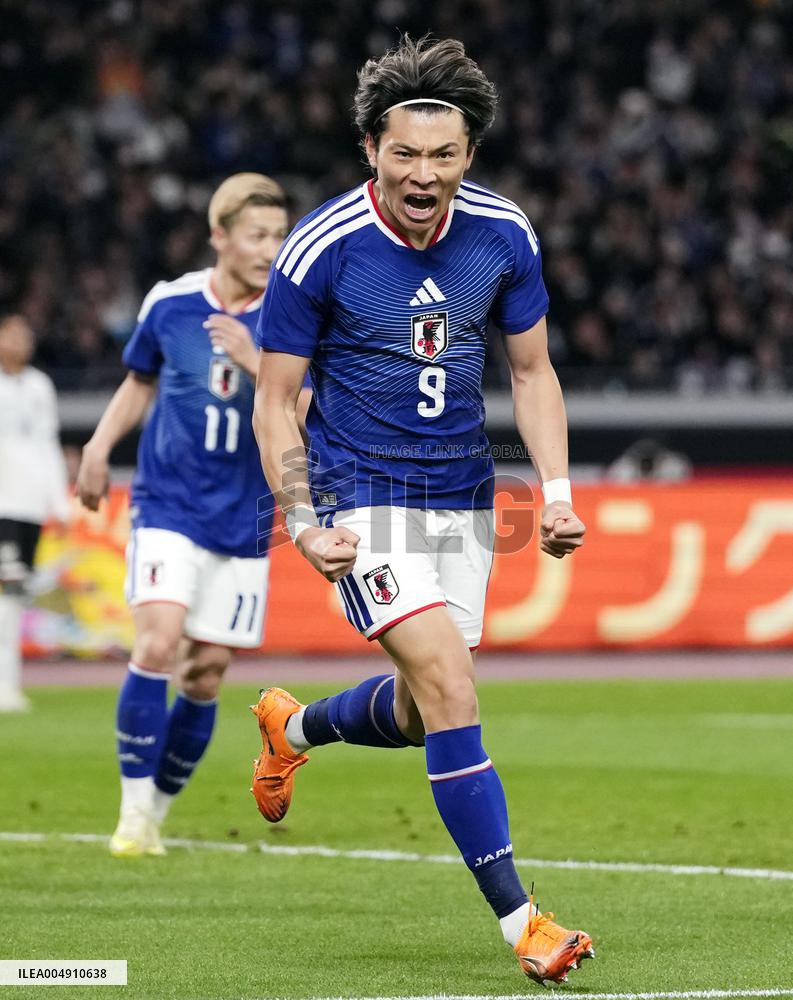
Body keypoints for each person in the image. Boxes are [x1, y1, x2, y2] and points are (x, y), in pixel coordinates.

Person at [251, 37, 594, 986]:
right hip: (364, 500)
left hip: (465, 500)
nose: (423, 173)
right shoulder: (320, 249)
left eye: (442, 156)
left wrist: (556, 496)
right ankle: (523, 922)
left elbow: (532, 373)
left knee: (416, 710)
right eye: (404, 154)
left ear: (468, 158)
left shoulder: (504, 234)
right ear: (371, 149)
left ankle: (296, 729)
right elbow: (275, 400)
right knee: (451, 692)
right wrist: (305, 517)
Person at [76, 173, 304, 858]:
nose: (270, 249)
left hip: (243, 517)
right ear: (219, 236)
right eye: (257, 235)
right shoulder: (171, 302)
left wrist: (256, 361)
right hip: (168, 502)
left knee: (205, 672)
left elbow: (309, 409)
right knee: (156, 644)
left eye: (278, 236)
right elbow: (139, 380)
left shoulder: (290, 316)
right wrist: (97, 445)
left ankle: (158, 813)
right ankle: (132, 811)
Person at [0, 314, 70, 711]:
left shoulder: (40, 386)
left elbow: (48, 443)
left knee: (15, 595)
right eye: (11, 334)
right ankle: (4, 683)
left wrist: (57, 502)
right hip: (3, 502)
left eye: (25, 336)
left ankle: (8, 681)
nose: (19, 342)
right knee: (7, 592)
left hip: (28, 505)